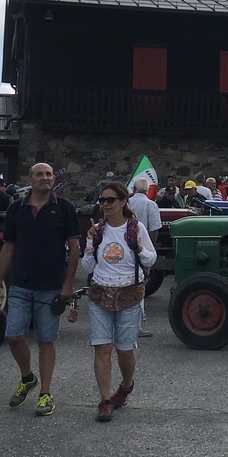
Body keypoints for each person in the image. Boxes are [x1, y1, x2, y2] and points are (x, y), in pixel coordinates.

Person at [0, 162, 80, 417]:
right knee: (14, 335)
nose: (45, 178)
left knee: (46, 340)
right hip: (20, 283)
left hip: (51, 286)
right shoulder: (16, 209)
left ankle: (45, 393)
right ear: (30, 179)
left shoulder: (65, 208)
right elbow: (8, 247)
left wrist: (68, 284)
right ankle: (27, 377)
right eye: (39, 174)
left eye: (49, 174)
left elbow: (74, 249)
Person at [79, 181, 156, 422]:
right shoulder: (98, 230)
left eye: (109, 200)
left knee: (124, 349)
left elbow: (151, 259)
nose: (104, 205)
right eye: (102, 201)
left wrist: (138, 248)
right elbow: (87, 266)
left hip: (129, 293)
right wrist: (91, 244)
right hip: (101, 292)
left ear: (123, 202)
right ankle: (104, 401)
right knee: (102, 347)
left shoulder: (136, 227)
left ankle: (126, 384)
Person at [129, 177, 162, 339]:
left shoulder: (127, 203)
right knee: (139, 284)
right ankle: (136, 324)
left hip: (126, 245)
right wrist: (151, 247)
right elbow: (154, 229)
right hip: (142, 247)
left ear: (134, 189)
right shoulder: (151, 204)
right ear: (147, 190)